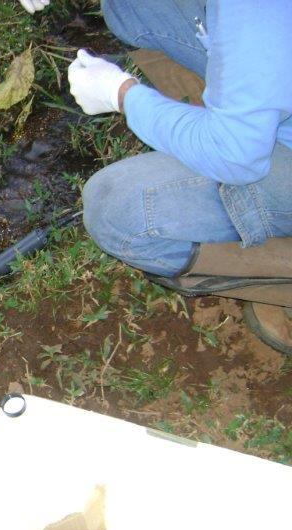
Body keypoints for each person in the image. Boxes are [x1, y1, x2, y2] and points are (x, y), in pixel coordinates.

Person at [63, 0, 292, 355]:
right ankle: (242, 107)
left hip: (249, 151)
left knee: (116, 209)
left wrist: (122, 95)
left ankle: (282, 276)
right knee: (132, 7)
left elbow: (237, 155)